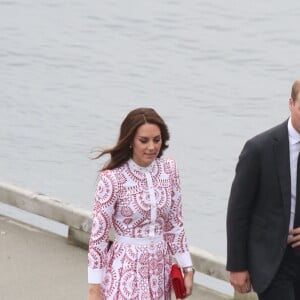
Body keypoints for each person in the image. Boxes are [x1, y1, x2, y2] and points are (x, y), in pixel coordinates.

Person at [88, 107, 194, 300]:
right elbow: (99, 237)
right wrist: (94, 289)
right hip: (125, 267)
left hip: (160, 269)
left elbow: (175, 224)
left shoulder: (169, 170)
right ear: (130, 141)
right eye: (144, 141)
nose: (152, 147)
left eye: (157, 139)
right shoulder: (112, 179)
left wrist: (187, 267)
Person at [226, 80, 300, 300]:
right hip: (273, 261)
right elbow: (238, 211)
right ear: (291, 104)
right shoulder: (260, 148)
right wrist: (237, 266)